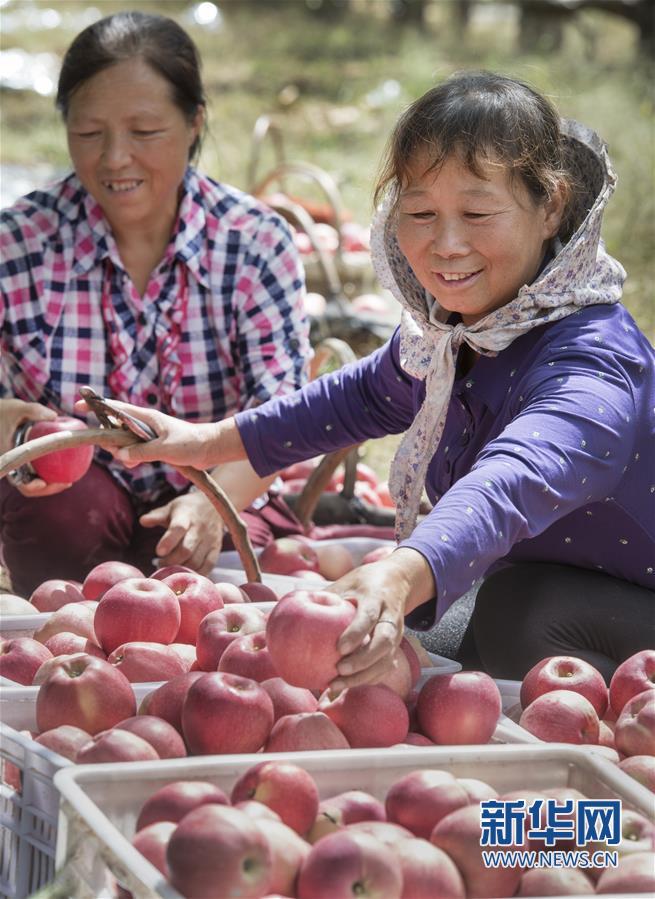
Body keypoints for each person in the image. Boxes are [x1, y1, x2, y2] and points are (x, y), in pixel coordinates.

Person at [81, 70, 653, 686]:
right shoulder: (454, 338)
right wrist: (199, 441)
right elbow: (350, 401)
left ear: (552, 207)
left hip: (614, 594)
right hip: (547, 582)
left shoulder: (593, 363)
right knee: (404, 641)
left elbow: (515, 477)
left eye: (478, 212)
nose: (446, 244)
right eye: (421, 213)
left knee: (520, 620)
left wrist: (405, 570)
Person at [0, 11, 312, 597]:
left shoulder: (253, 243)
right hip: (73, 505)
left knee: (226, 611)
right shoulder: (18, 245)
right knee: (65, 515)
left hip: (227, 489)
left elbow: (285, 414)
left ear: (194, 122)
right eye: (90, 133)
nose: (115, 158)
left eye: (144, 132)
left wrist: (209, 503)